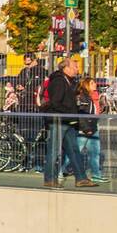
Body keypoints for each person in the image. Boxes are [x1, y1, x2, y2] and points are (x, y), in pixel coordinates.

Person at [40, 58, 91, 189]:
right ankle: (50, 178)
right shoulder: (58, 81)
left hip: (67, 120)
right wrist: (69, 111)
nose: (77, 69)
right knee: (54, 150)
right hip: (59, 121)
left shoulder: (69, 81)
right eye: (75, 66)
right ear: (66, 68)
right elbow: (55, 102)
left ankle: (81, 178)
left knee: (73, 150)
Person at [76, 77, 108, 183]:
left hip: (93, 127)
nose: (95, 84)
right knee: (76, 151)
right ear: (86, 85)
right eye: (92, 83)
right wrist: (85, 128)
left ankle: (96, 174)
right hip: (84, 128)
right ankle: (60, 171)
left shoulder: (94, 95)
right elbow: (81, 114)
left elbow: (95, 111)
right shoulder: (83, 96)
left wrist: (102, 108)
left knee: (95, 152)